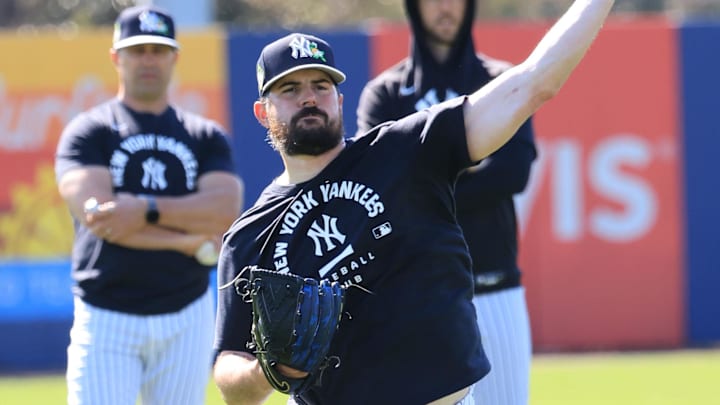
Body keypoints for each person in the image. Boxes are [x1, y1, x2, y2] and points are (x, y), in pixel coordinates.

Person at [214, 1, 614, 404]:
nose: (309, 98)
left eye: (321, 86)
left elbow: (533, 82)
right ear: (262, 112)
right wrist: (264, 372)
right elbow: (228, 372)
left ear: (339, 99)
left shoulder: (404, 151)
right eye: (289, 89)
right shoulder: (251, 235)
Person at [54, 5, 244, 405]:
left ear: (174, 57)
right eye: (137, 50)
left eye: (158, 50)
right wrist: (183, 239)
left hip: (185, 311)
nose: (148, 60)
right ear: (116, 57)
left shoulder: (204, 135)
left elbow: (225, 209)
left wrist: (144, 209)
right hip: (107, 311)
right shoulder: (90, 131)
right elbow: (103, 220)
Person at [355, 0, 536, 403]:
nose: (444, 7)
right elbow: (382, 193)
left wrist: (425, 178)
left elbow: (513, 173)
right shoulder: (384, 95)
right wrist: (469, 164)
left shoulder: (500, 79)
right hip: (418, 299)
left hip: (494, 288)